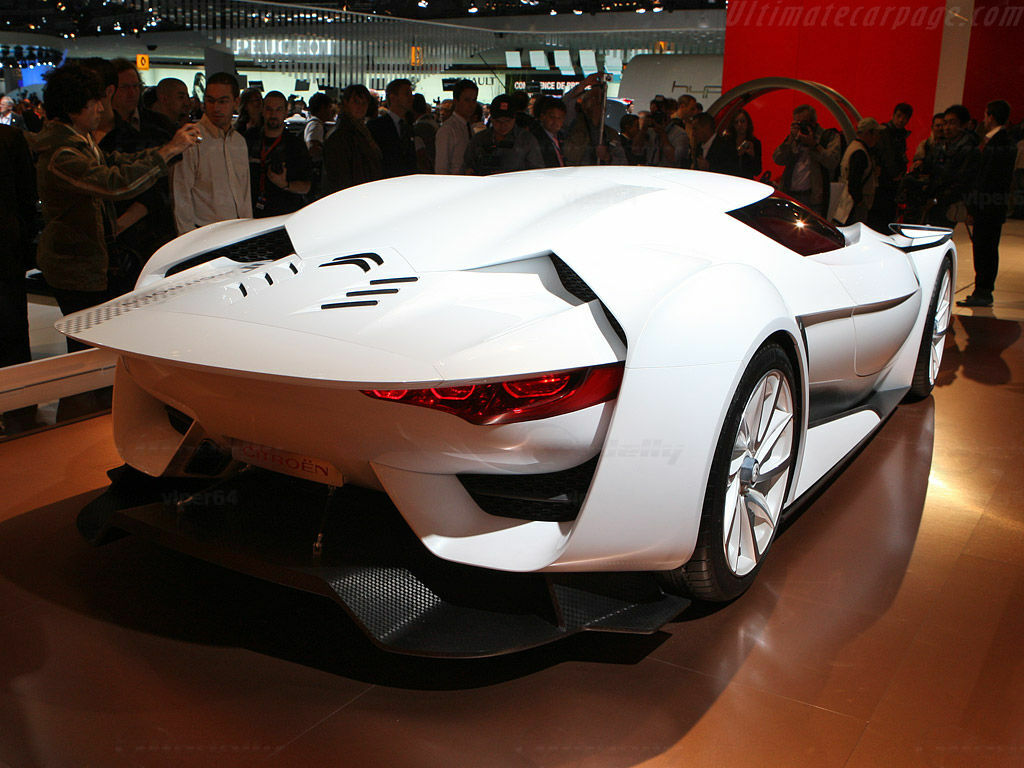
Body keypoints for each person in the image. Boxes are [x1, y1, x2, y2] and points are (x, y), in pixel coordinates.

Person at [30, 63, 201, 348]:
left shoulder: (79, 141)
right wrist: (168, 151)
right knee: (89, 346)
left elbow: (117, 163)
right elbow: (115, 184)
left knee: (98, 341)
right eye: (94, 102)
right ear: (74, 108)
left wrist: (166, 150)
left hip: (90, 261)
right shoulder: (62, 153)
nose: (101, 108)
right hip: (75, 266)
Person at [172, 72, 251, 234]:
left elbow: (244, 192)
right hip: (204, 233)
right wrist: (187, 239)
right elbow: (181, 195)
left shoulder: (239, 142)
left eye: (223, 101)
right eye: (210, 100)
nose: (216, 108)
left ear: (236, 102)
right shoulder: (191, 140)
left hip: (238, 231)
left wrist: (249, 231)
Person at [957, 100, 1016, 308]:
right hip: (993, 206)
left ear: (990, 117)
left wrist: (973, 206)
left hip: (987, 206)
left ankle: (983, 290)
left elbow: (986, 179)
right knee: (986, 248)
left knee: (984, 249)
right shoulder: (1004, 142)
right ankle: (982, 289)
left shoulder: (996, 144)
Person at [246, 91, 312, 217]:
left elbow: (306, 186)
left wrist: (285, 185)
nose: (273, 114)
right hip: (251, 212)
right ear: (262, 110)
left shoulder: (296, 145)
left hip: (284, 213)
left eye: (278, 110)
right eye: (269, 109)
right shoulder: (249, 139)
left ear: (286, 112)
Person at [772, 104, 842, 216]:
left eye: (804, 123)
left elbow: (832, 162)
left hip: (814, 199)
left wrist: (814, 145)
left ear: (813, 122)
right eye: (797, 123)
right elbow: (777, 159)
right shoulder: (794, 138)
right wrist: (790, 140)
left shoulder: (827, 137)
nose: (801, 127)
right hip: (790, 195)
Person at [923, 104, 979, 227]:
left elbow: (962, 182)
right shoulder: (941, 146)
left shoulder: (969, 150)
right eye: (945, 123)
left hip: (949, 203)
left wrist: (937, 200)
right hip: (935, 202)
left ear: (964, 125)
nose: (947, 128)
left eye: (952, 123)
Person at [322, 84, 383, 194]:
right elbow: (339, 178)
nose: (360, 107)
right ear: (345, 103)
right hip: (352, 193)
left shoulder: (364, 130)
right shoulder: (339, 135)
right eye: (356, 102)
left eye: (364, 103)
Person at [464, 94, 543, 175]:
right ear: (492, 119)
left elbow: (536, 171)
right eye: (498, 121)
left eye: (507, 121)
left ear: (514, 119)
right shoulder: (479, 139)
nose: (503, 125)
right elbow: (467, 166)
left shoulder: (526, 140)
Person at [868, 103, 913, 232]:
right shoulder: (885, 133)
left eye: (904, 118)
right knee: (879, 220)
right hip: (883, 183)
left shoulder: (899, 135)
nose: (901, 120)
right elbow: (887, 157)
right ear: (893, 115)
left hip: (890, 184)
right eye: (899, 116)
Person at [834, 117, 882, 226]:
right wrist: (860, 202)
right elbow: (854, 181)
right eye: (876, 133)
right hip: (854, 206)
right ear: (868, 133)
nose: (877, 137)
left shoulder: (854, 147)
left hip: (846, 203)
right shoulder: (860, 152)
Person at [368, 78, 418, 178]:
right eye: (407, 94)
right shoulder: (376, 126)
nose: (411, 98)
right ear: (393, 98)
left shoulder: (409, 127)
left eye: (411, 94)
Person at [434, 79, 477, 175]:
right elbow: (441, 167)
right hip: (453, 180)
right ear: (456, 101)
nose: (471, 105)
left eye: (474, 100)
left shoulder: (469, 127)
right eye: (467, 100)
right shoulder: (447, 129)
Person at [726, 108, 762, 179]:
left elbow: (757, 171)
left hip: (747, 180)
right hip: (730, 179)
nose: (739, 125)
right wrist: (737, 155)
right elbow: (723, 165)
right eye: (736, 122)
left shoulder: (755, 143)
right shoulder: (727, 142)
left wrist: (752, 156)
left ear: (747, 123)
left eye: (742, 121)